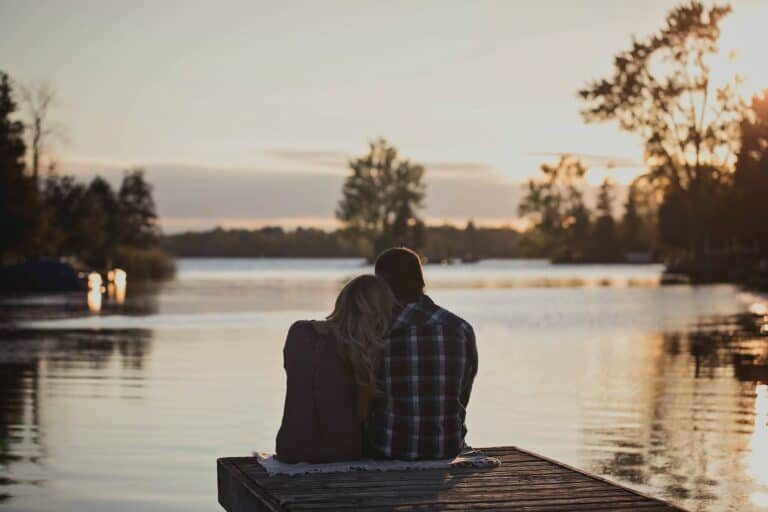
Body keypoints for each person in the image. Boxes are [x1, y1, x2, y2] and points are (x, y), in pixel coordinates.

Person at [365, 247, 478, 460]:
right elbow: (462, 393)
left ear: (381, 285)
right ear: (421, 281)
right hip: (446, 448)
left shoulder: (375, 331)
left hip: (387, 449)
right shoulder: (461, 329)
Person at [276, 274, 395, 463]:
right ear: (380, 312)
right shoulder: (370, 351)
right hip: (342, 453)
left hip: (290, 449)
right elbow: (362, 416)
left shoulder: (299, 332)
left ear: (342, 301)